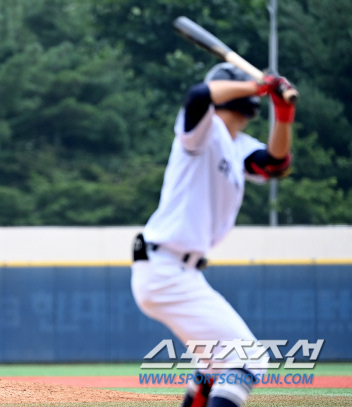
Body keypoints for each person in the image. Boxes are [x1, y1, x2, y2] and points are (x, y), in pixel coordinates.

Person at [131, 62, 296, 407]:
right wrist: (258, 86)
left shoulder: (239, 145)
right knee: (248, 358)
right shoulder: (205, 129)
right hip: (165, 265)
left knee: (213, 366)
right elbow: (197, 97)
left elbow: (275, 163)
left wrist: (283, 112)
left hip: (180, 270)